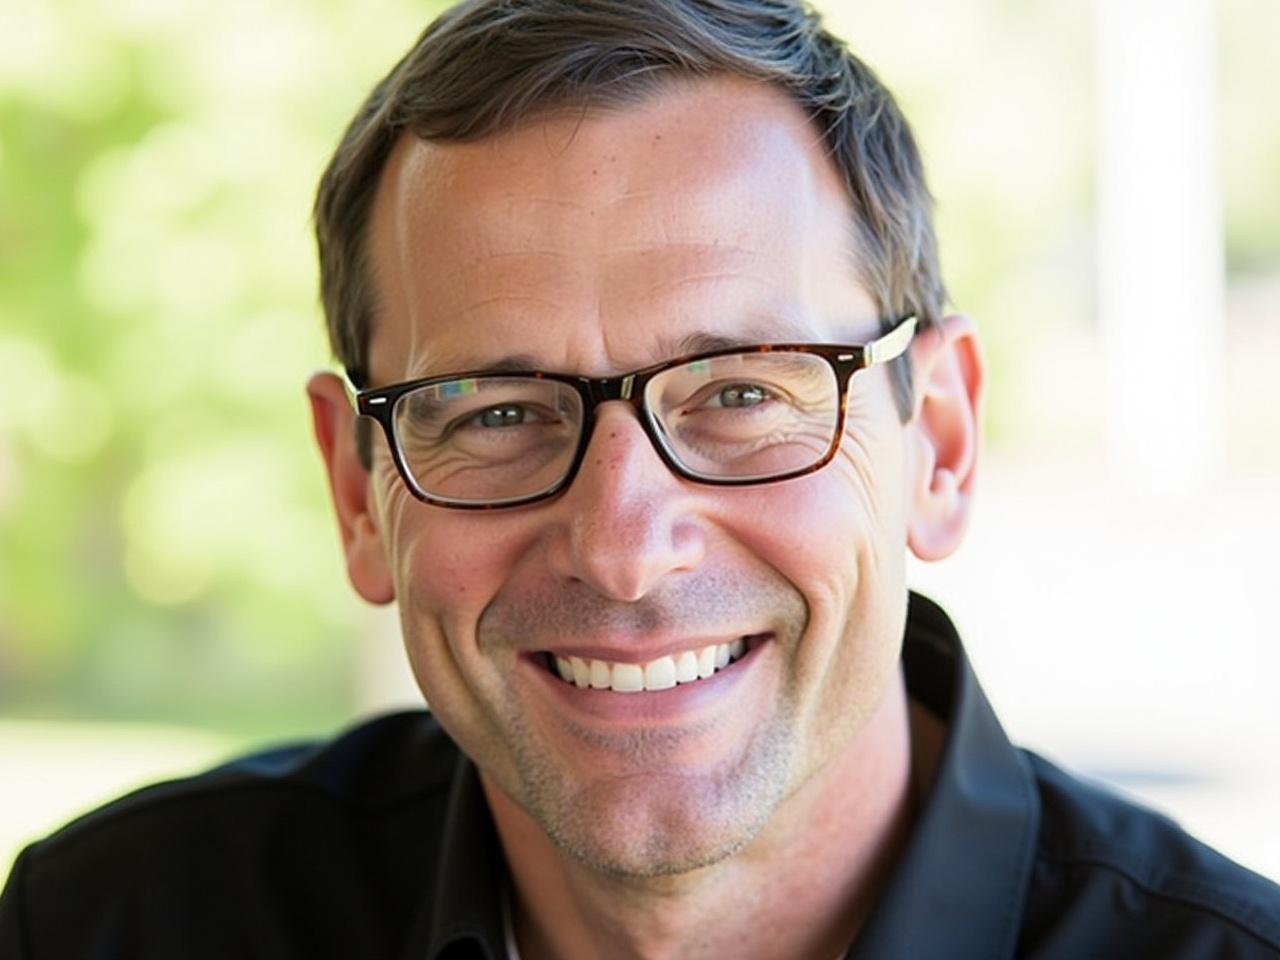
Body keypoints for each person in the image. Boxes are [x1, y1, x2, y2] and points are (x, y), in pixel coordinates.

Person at [2, 1, 1278, 957]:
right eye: (494, 412)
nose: (620, 543)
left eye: (739, 394)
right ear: (356, 491)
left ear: (936, 442)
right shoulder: (117, 929)